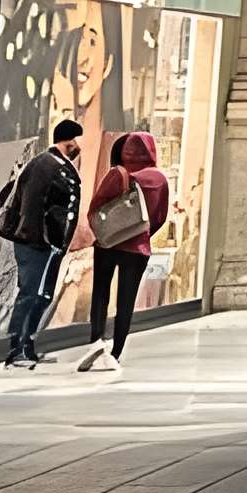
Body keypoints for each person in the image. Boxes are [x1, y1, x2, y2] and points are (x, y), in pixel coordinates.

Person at [0, 118, 85, 369]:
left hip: (42, 243)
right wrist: (50, 240)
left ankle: (26, 345)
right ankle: (18, 348)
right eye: (78, 139)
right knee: (32, 294)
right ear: (70, 140)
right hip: (37, 243)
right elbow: (35, 206)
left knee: (40, 295)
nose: (81, 146)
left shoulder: (54, 165)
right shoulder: (47, 165)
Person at [80, 132, 171, 373]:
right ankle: (116, 352)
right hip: (138, 247)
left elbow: (96, 209)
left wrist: (106, 232)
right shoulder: (159, 179)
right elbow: (160, 217)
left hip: (108, 244)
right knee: (126, 301)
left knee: (101, 293)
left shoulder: (117, 174)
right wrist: (140, 233)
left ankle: (96, 342)